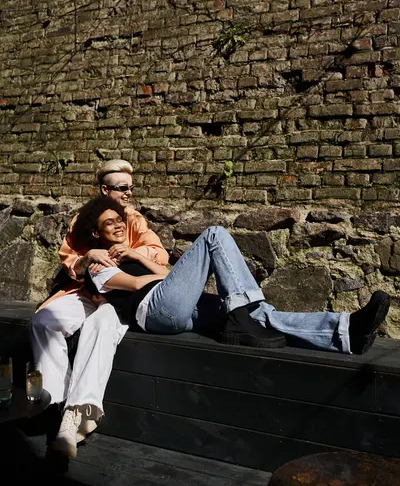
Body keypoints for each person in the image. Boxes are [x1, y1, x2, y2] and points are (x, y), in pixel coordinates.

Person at [62, 196, 390, 455]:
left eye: (120, 220)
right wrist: (141, 268)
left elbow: (167, 276)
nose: (118, 226)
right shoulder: (99, 265)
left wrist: (138, 255)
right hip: (155, 311)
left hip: (177, 303)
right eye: (109, 223)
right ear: (97, 233)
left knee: (262, 315)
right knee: (215, 235)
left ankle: (346, 331)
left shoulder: (130, 253)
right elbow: (137, 287)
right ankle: (242, 315)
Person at [28, 160, 169, 458]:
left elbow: (159, 252)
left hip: (117, 297)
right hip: (82, 291)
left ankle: (75, 417)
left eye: (131, 188)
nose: (128, 193)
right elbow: (68, 263)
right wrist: (88, 255)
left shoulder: (134, 219)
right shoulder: (83, 220)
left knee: (100, 325)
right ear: (105, 189)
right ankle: (53, 401)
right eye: (122, 188)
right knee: (43, 321)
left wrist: (130, 251)